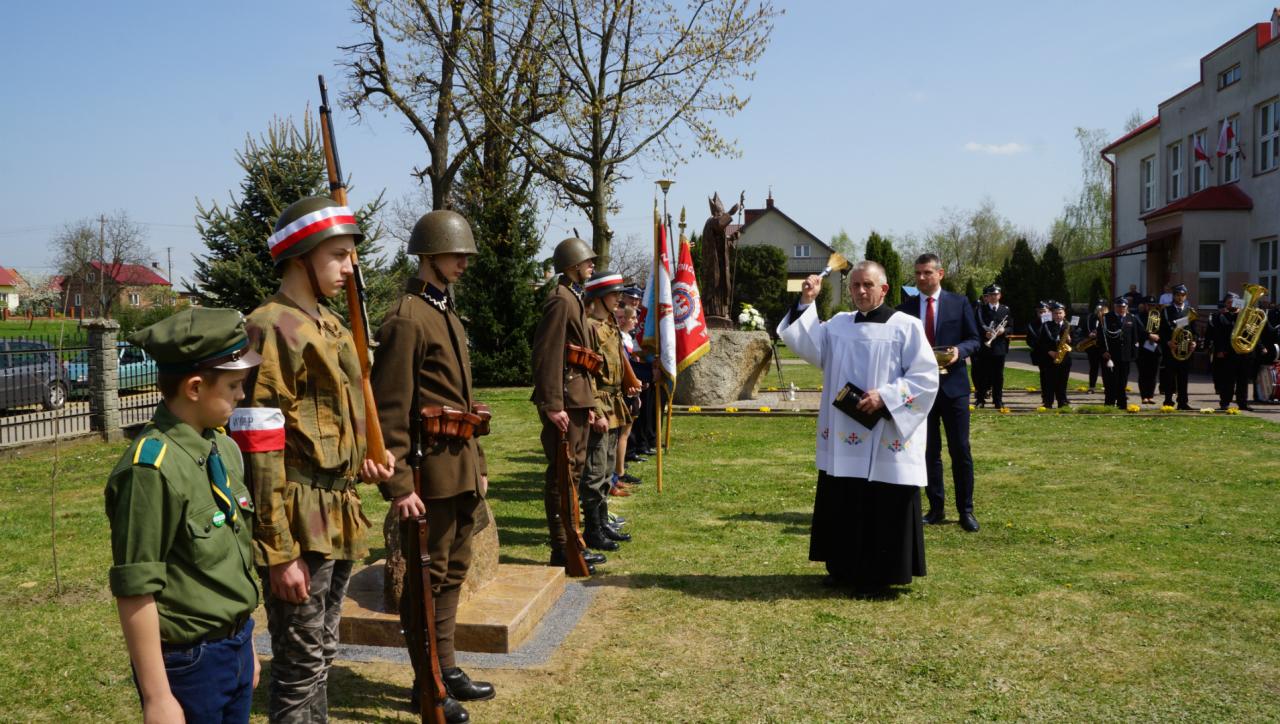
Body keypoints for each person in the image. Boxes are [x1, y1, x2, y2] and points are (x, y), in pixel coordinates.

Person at [233, 196, 395, 722]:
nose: (350, 269)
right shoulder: (271, 327)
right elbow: (259, 447)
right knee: (299, 664)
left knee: (322, 653)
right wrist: (279, 552)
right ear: (301, 256)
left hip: (337, 511)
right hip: (297, 518)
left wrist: (365, 459)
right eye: (339, 255)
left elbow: (333, 417)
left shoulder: (331, 324)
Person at [106, 307, 263, 723]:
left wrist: (245, 643)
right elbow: (136, 589)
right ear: (195, 387)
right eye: (233, 385)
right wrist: (158, 697)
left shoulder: (222, 448)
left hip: (234, 646)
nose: (241, 396)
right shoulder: (149, 470)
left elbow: (230, 563)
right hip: (190, 663)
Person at [369, 210, 494, 722]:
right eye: (455, 253)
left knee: (453, 571)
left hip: (458, 466)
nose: (463, 262)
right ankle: (428, 684)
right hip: (427, 474)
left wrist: (478, 461)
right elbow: (390, 409)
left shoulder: (444, 312)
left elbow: (461, 401)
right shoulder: (407, 318)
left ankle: (445, 667)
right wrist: (399, 485)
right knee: (427, 579)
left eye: (465, 254)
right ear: (428, 254)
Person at [778, 261, 938, 593]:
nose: (861, 291)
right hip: (845, 430)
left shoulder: (906, 326)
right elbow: (808, 344)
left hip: (886, 430)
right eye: (855, 285)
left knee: (884, 501)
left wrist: (886, 397)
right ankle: (843, 568)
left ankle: (882, 575)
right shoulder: (839, 325)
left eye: (868, 285)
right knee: (845, 499)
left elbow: (925, 377)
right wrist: (807, 301)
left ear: (884, 289)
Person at [531, 237, 608, 574]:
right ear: (573, 265)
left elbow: (581, 358)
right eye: (587, 261)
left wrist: (588, 401)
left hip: (577, 398)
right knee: (562, 474)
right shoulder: (561, 300)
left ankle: (573, 542)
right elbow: (547, 354)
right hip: (564, 400)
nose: (592, 265)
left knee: (572, 473)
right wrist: (552, 403)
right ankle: (563, 547)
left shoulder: (574, 297)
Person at [896, 254, 981, 532]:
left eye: (927, 272)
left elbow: (975, 339)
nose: (921, 278)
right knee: (928, 450)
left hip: (954, 388)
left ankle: (966, 510)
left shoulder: (960, 303)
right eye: (918, 273)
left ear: (940, 273)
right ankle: (935, 508)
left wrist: (960, 351)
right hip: (919, 390)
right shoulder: (905, 310)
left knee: (960, 450)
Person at [580, 271, 641, 548]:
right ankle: (593, 531)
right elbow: (586, 373)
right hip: (601, 402)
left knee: (606, 468)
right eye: (614, 294)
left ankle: (603, 522)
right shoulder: (589, 327)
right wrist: (595, 409)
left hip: (615, 400)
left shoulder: (610, 325)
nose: (619, 299)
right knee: (594, 470)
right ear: (599, 296)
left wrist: (630, 385)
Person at [1158, 283, 1196, 410]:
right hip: (1171, 348)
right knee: (1169, 376)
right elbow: (1162, 331)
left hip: (1184, 348)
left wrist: (1194, 342)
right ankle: (1168, 401)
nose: (1180, 297)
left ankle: (1183, 402)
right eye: (1178, 295)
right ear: (1173, 296)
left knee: (1183, 376)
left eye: (1183, 295)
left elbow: (1194, 330)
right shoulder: (1166, 310)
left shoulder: (1190, 311)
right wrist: (1167, 342)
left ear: (1186, 296)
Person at [972, 283, 1010, 409]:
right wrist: (985, 333)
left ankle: (998, 400)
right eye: (991, 294)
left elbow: (1011, 326)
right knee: (983, 374)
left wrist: (1004, 331)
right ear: (987, 296)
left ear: (1000, 295)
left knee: (998, 375)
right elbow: (976, 326)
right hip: (985, 346)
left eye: (996, 294)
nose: (993, 296)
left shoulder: (1005, 309)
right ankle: (980, 399)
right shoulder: (981, 309)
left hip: (999, 347)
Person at [1100, 297, 1139, 408]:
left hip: (1125, 355)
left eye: (1123, 307)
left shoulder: (1131, 318)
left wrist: (1134, 354)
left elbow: (1135, 337)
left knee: (1123, 380)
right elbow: (1100, 336)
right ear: (1114, 307)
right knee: (1110, 380)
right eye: (1119, 306)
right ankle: (1109, 403)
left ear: (1127, 307)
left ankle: (1122, 404)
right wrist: (1103, 351)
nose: (1121, 309)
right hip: (1111, 355)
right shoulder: (1106, 318)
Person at [1037, 301, 1075, 409]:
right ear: (1052, 314)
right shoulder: (1046, 325)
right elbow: (1041, 342)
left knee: (1063, 381)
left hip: (1065, 358)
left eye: (1060, 313)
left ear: (1064, 313)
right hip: (1050, 357)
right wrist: (1050, 351)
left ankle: (1062, 402)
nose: (1058, 315)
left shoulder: (1069, 326)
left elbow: (1077, 339)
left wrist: (1071, 340)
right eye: (1055, 313)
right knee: (1049, 381)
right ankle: (1048, 402)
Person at [1208, 294, 1238, 409]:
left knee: (1241, 379)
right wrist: (1220, 350)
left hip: (1239, 350)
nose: (1232, 304)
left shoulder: (1242, 315)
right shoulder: (1220, 316)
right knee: (1227, 378)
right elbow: (1217, 335)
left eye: (1234, 302)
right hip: (1226, 350)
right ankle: (1225, 402)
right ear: (1225, 304)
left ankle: (1242, 403)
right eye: (1229, 302)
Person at [1136, 296, 1162, 404]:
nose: (1151, 307)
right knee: (1143, 373)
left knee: (1153, 373)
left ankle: (1150, 396)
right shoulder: (1138, 317)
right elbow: (1138, 331)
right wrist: (1149, 335)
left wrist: (1158, 336)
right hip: (1142, 349)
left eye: (1153, 305)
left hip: (1156, 349)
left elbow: (1164, 330)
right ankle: (1144, 396)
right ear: (1145, 305)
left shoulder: (1158, 316)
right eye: (1149, 305)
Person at [1082, 300, 1108, 393]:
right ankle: (1092, 387)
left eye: (1102, 308)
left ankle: (1107, 387)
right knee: (1093, 367)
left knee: (1106, 368)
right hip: (1092, 347)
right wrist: (1090, 334)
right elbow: (1086, 329)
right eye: (1098, 308)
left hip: (1104, 346)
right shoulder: (1090, 317)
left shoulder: (1107, 318)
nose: (1099, 310)